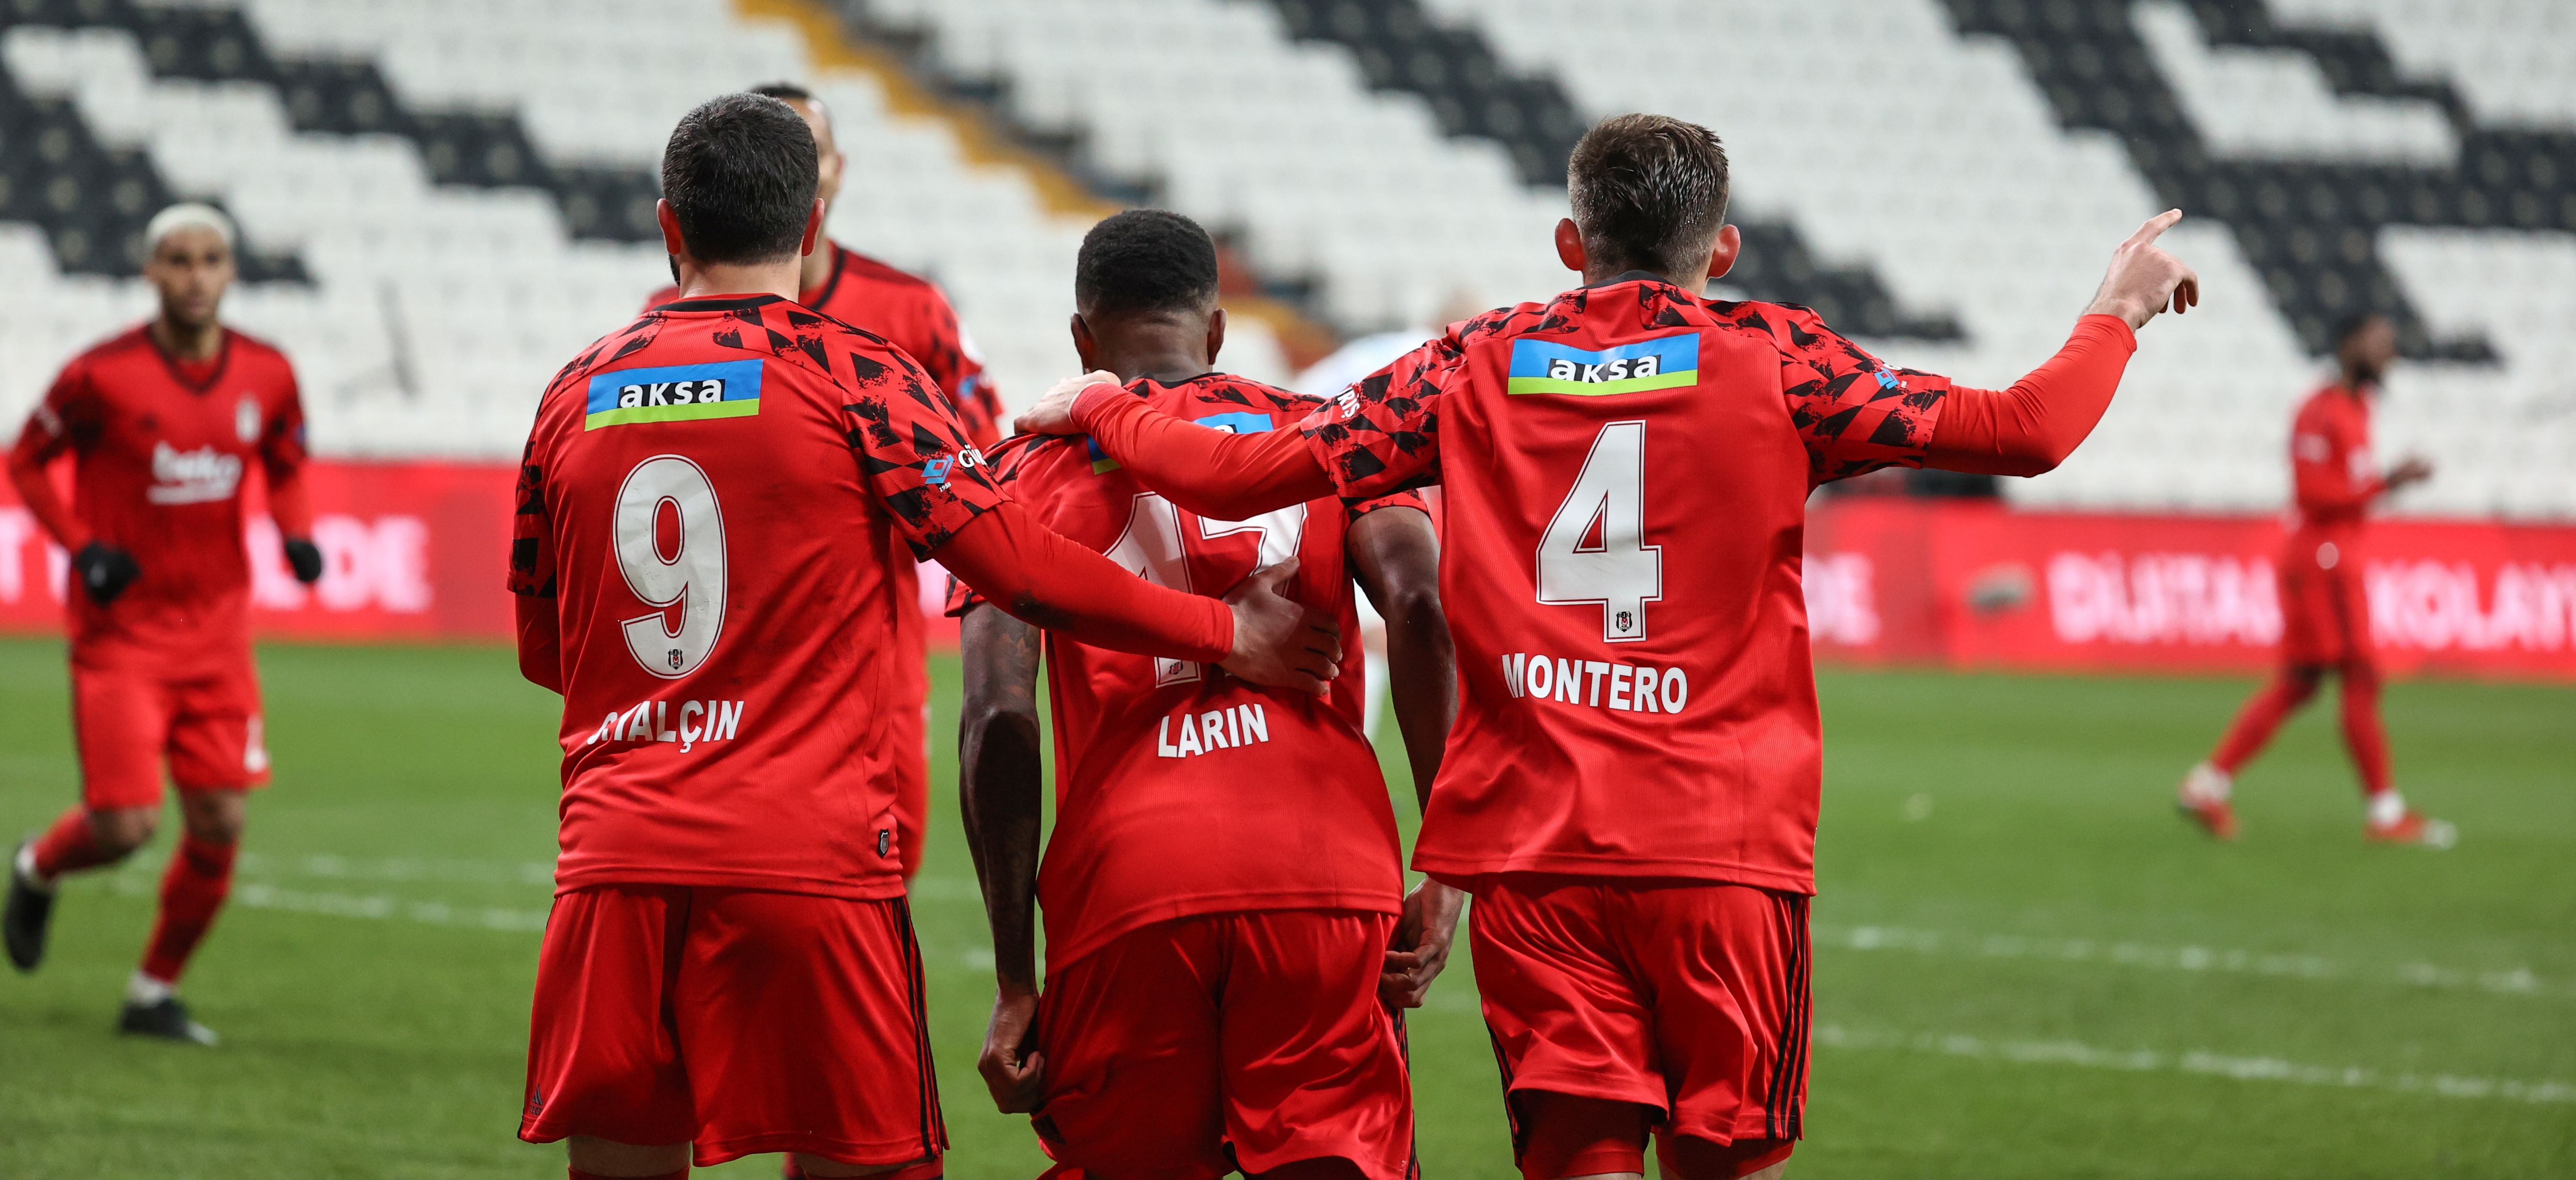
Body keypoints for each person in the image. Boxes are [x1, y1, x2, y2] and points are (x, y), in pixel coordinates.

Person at [1017, 114, 2199, 1180]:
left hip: (1539, 855)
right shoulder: (1779, 361)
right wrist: (2117, 308)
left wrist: (1104, 407)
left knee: (1581, 1156)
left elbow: (1241, 468)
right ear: (1719, 251)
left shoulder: (1470, 363)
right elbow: (2028, 431)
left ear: (1569, 244)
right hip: (1721, 847)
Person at [510, 94, 1336, 1180]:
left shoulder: (573, 393)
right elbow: (1017, 564)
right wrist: (1223, 628)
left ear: (670, 226)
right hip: (807, 856)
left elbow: (543, 647)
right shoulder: (857, 374)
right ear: (811, 230)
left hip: (613, 861)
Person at [954, 209, 1463, 1180]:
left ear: (1082, 340)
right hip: (1322, 869)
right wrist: (1445, 866)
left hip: (1129, 885)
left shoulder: (1014, 470)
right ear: (1217, 329)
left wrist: (1019, 977)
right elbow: (1420, 606)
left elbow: (997, 715)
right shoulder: (1328, 434)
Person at [641, 80, 1001, 888]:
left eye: (811, 151)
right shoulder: (666, 322)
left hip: (869, 644)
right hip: (712, 646)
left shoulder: (912, 309)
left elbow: (983, 463)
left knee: (876, 871)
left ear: (835, 171)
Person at [4, 203, 325, 1045]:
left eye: (210, 258)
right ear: (150, 272)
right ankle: (38, 865)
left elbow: (286, 462)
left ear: (231, 271)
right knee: (125, 827)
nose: (194, 275)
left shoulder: (268, 372)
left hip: (217, 637)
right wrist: (82, 547)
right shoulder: (101, 375)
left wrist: (295, 533)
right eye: (177, 260)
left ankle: (152, 993)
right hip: (123, 638)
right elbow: (23, 461)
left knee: (221, 822)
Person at [2178, 312, 2451, 846]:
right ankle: (2384, 813)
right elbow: (2313, 495)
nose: (2389, 354)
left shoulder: (2354, 408)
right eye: (2380, 343)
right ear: (2350, 345)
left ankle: (2206, 784)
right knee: (2360, 676)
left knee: (2300, 684)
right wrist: (2389, 481)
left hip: (2330, 557)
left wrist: (2383, 483)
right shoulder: (2320, 411)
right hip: (2322, 560)